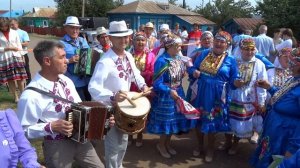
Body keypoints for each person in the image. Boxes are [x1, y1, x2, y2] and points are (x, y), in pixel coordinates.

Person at [17, 40, 108, 168]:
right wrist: (51, 126)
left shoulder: (66, 80)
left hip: (80, 138)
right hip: (57, 145)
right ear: (47, 61)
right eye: (62, 57)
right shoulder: (30, 95)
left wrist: (104, 119)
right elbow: (22, 131)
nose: (67, 60)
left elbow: (79, 106)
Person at [88, 20, 150, 168]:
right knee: (112, 144)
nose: (124, 40)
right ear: (111, 39)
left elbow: (136, 74)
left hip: (125, 106)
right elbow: (93, 87)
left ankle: (118, 165)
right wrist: (112, 96)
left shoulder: (128, 56)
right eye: (119, 37)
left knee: (122, 141)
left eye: (126, 37)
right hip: (109, 108)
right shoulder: (105, 61)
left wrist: (143, 85)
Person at [187, 31, 242, 162]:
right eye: (217, 40)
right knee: (199, 120)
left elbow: (234, 78)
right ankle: (200, 146)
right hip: (201, 92)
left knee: (212, 121)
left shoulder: (231, 60)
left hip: (217, 95)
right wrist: (193, 71)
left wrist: (237, 82)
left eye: (222, 41)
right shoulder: (204, 54)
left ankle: (210, 149)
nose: (218, 43)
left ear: (227, 45)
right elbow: (192, 68)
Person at [147, 34, 195, 159]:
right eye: (177, 46)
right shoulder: (162, 61)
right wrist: (168, 90)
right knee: (167, 122)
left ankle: (167, 144)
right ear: (169, 47)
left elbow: (185, 71)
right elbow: (157, 83)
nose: (180, 48)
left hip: (178, 93)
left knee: (174, 121)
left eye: (180, 46)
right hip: (166, 97)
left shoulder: (178, 58)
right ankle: (161, 145)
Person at [251, 47, 300, 168]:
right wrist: (269, 88)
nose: (289, 65)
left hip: (285, 133)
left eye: (293, 63)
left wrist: (293, 148)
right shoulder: (294, 79)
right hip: (276, 127)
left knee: (275, 160)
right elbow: (283, 96)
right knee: (266, 155)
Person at [227, 38, 268, 155]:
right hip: (233, 95)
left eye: (251, 49)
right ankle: (228, 142)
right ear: (240, 49)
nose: (249, 52)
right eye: (246, 49)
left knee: (241, 124)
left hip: (248, 98)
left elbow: (262, 85)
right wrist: (234, 83)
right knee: (230, 121)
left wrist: (261, 101)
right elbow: (227, 79)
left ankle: (235, 143)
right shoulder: (233, 61)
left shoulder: (259, 64)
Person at [127, 31, 155, 147]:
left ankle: (139, 135)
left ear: (146, 42)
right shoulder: (128, 54)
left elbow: (153, 72)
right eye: (138, 40)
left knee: (142, 113)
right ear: (133, 41)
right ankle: (129, 135)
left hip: (143, 88)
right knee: (129, 112)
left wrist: (141, 74)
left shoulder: (150, 55)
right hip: (130, 88)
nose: (140, 42)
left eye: (143, 40)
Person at [60, 16, 91, 101]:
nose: (75, 31)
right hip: (73, 82)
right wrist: (69, 61)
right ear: (66, 28)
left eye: (77, 28)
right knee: (81, 106)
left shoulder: (82, 40)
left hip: (86, 80)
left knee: (90, 103)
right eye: (72, 28)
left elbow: (89, 54)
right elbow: (56, 62)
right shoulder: (61, 44)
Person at [0, 18, 27, 103]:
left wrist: (22, 56)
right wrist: (8, 48)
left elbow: (19, 45)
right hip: (5, 58)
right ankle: (15, 97)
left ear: (8, 25)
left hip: (16, 57)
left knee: (20, 78)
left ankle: (22, 95)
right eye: (2, 26)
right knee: (10, 79)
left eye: (5, 26)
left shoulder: (14, 32)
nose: (4, 28)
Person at [10, 18, 31, 85]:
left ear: (17, 24)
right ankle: (18, 84)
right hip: (13, 54)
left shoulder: (23, 32)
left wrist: (17, 44)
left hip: (23, 53)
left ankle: (29, 82)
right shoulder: (9, 33)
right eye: (11, 25)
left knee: (26, 68)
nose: (12, 26)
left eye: (13, 24)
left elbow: (26, 43)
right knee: (15, 70)